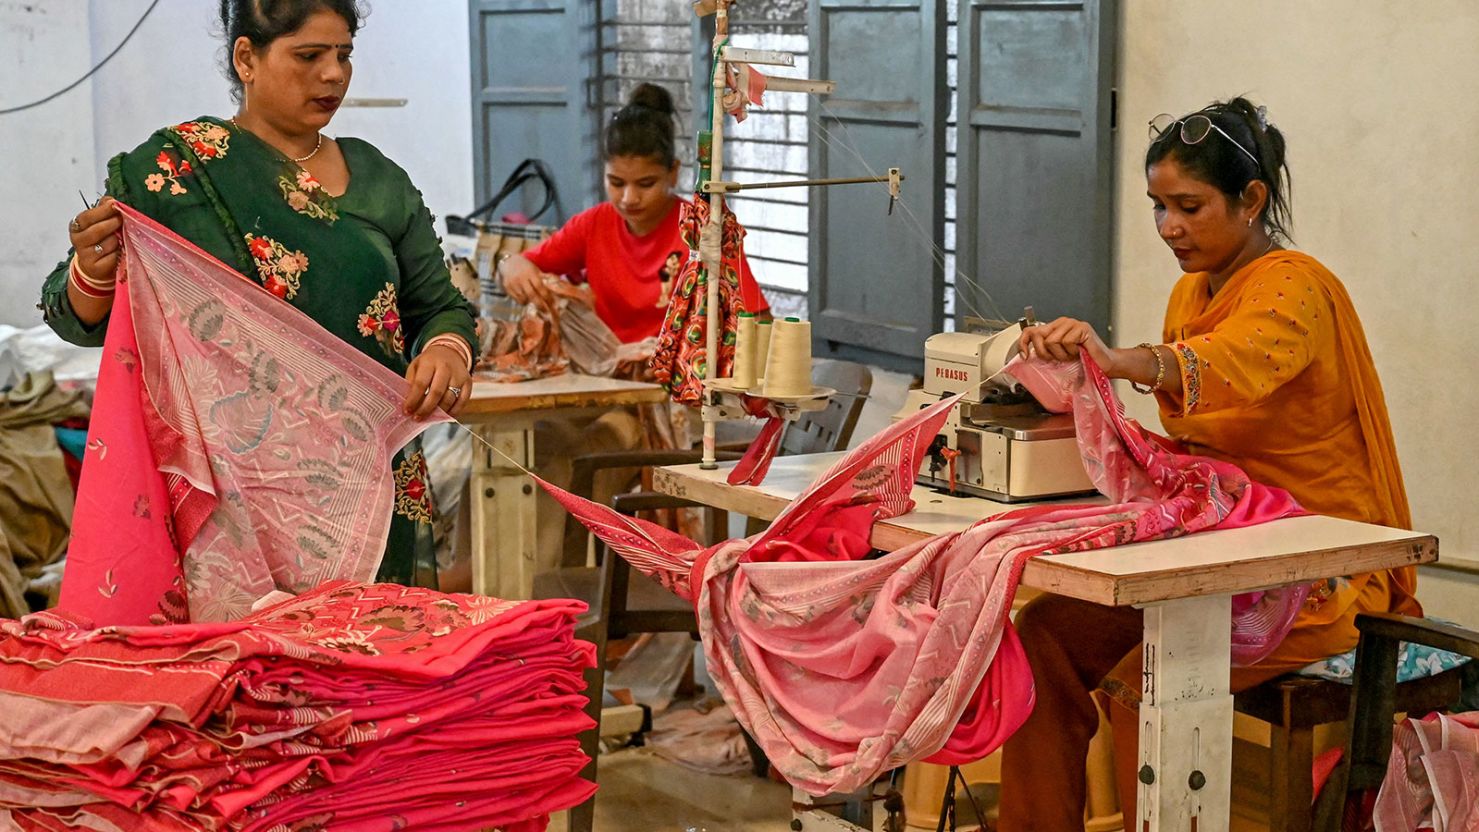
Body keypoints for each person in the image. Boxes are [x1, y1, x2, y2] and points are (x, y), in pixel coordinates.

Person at [996, 97, 1420, 827]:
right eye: (1158, 206)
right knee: (1041, 637)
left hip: (1317, 571)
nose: (1169, 228)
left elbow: (1227, 365)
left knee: (1148, 683)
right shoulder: (1190, 291)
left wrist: (1114, 361)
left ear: (1250, 198)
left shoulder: (1297, 288)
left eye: (1188, 206)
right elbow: (1198, 447)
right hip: (1219, 554)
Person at [40, 0, 476, 591]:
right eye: (309, 55)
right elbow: (77, 318)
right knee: (257, 671)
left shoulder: (379, 181)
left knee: (371, 661)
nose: (334, 74)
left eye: (344, 55)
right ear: (247, 57)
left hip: (366, 484)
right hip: (238, 492)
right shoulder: (179, 174)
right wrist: (93, 267)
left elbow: (442, 306)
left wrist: (448, 350)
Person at [499, 83, 771, 345]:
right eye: (616, 183)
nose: (629, 199)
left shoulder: (704, 232)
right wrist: (510, 263)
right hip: (611, 380)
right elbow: (522, 264)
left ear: (673, 172)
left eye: (646, 184)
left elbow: (758, 321)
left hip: (682, 382)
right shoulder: (594, 225)